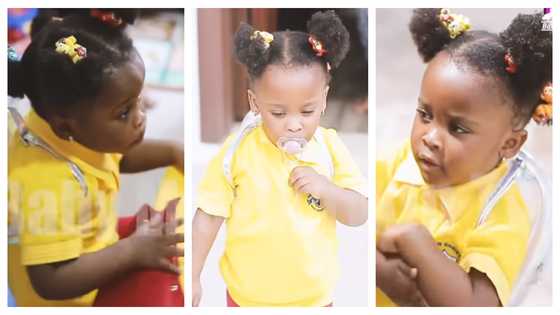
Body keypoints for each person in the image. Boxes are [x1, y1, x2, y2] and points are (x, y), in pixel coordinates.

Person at [376, 8, 552, 306]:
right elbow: (345, 231)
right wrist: (381, 271)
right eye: (424, 114)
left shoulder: (502, 210)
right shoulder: (398, 163)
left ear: (509, 144)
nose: (430, 137)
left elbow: (477, 305)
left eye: (457, 128)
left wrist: (417, 244)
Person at [8, 9, 184, 306]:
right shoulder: (45, 182)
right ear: (66, 125)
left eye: (138, 100)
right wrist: (133, 251)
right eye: (124, 112)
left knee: (172, 230)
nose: (140, 118)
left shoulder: (68, 126)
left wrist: (173, 152)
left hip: (96, 239)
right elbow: (51, 281)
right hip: (75, 296)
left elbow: (114, 157)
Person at [192, 10, 368, 307]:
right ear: (254, 103)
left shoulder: (329, 148)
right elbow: (208, 216)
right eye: (278, 113)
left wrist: (327, 190)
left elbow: (358, 213)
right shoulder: (237, 153)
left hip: (313, 299)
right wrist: (193, 275)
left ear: (324, 99)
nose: (294, 124)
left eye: (307, 111)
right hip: (247, 298)